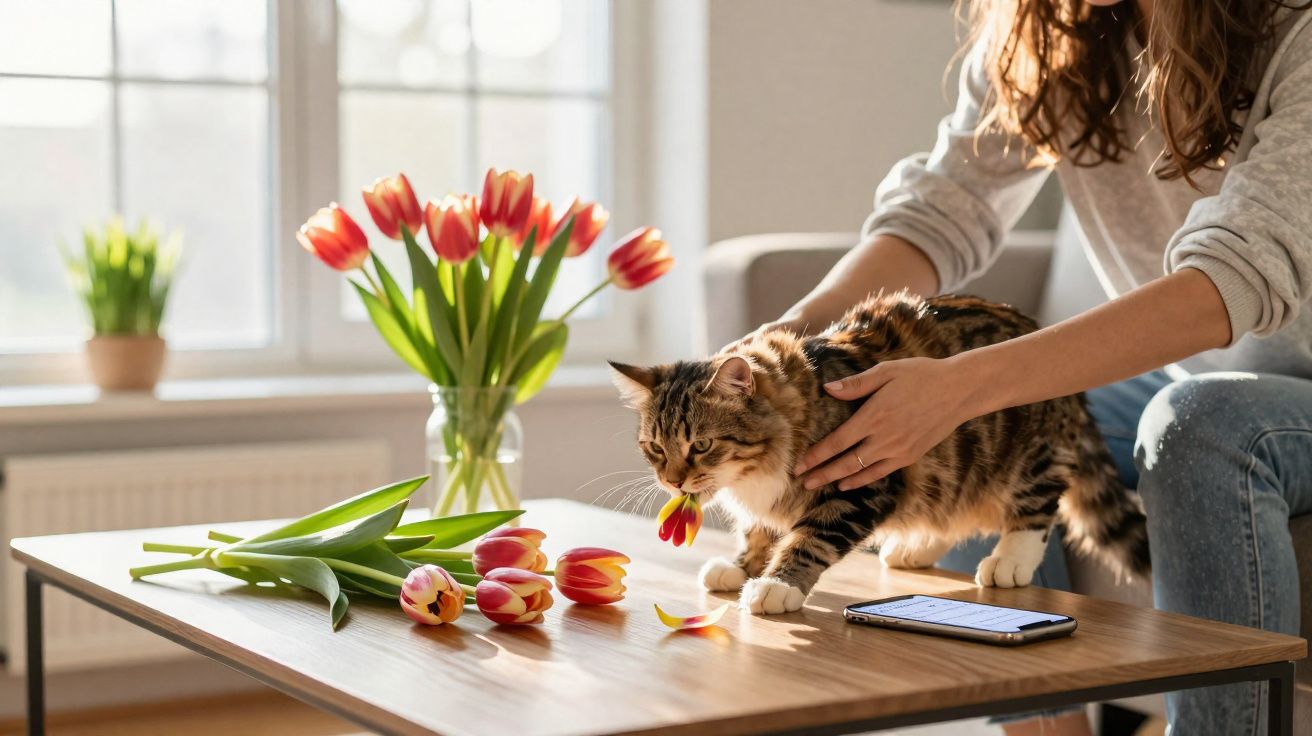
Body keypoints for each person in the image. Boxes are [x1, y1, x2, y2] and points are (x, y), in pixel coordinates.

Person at [766, 0, 1312, 733]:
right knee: (994, 425)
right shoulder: (1053, 26)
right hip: (1198, 373)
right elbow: (942, 208)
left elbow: (1235, 280)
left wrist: (960, 386)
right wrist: (795, 336)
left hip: (1263, 392)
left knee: (1199, 426)